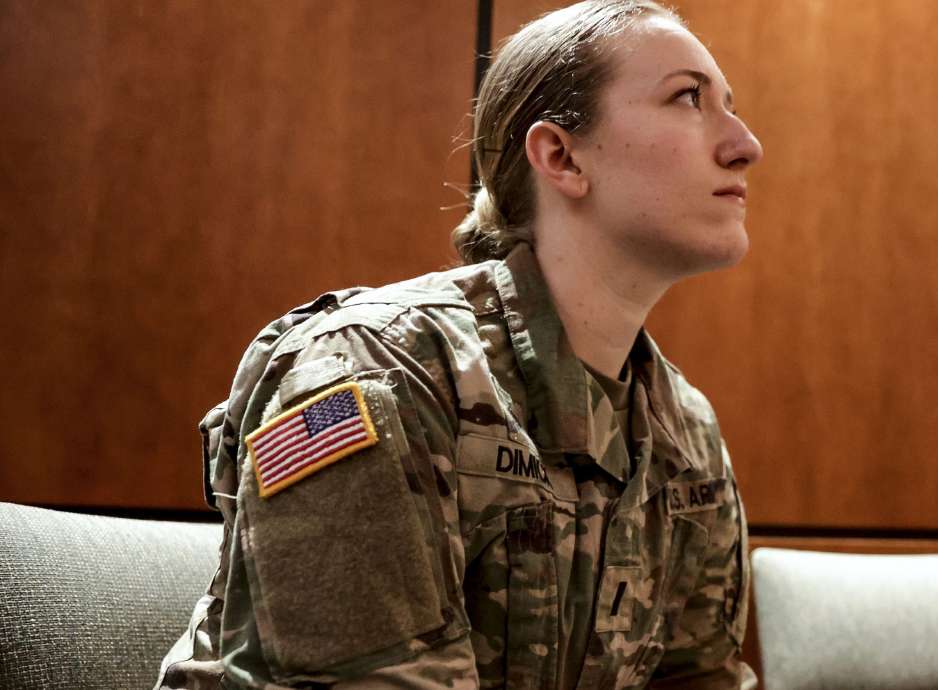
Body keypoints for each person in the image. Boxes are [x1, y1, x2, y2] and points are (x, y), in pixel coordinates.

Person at [156, 0, 764, 687]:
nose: (745, 144)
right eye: (688, 97)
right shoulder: (375, 370)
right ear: (561, 157)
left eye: (730, 106)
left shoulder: (685, 431)